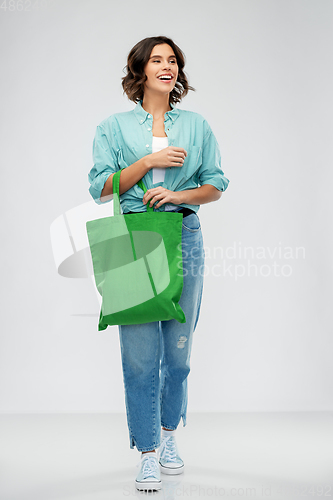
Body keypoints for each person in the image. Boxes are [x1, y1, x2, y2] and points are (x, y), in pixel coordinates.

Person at [88, 36, 230, 492]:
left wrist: (177, 194)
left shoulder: (196, 125)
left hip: (184, 234)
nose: (166, 67)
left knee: (179, 351)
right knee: (140, 354)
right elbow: (102, 187)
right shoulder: (113, 126)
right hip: (134, 236)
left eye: (172, 61)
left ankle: (170, 437)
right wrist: (148, 161)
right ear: (140, 71)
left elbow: (215, 184)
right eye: (157, 60)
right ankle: (147, 452)